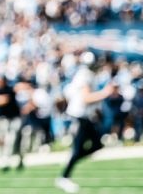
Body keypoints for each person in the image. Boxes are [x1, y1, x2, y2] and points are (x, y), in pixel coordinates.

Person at [56, 53, 116, 193]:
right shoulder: (85, 75)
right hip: (79, 116)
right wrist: (105, 93)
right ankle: (64, 176)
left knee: (96, 145)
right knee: (80, 149)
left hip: (85, 115)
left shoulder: (86, 74)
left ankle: (70, 162)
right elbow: (86, 98)